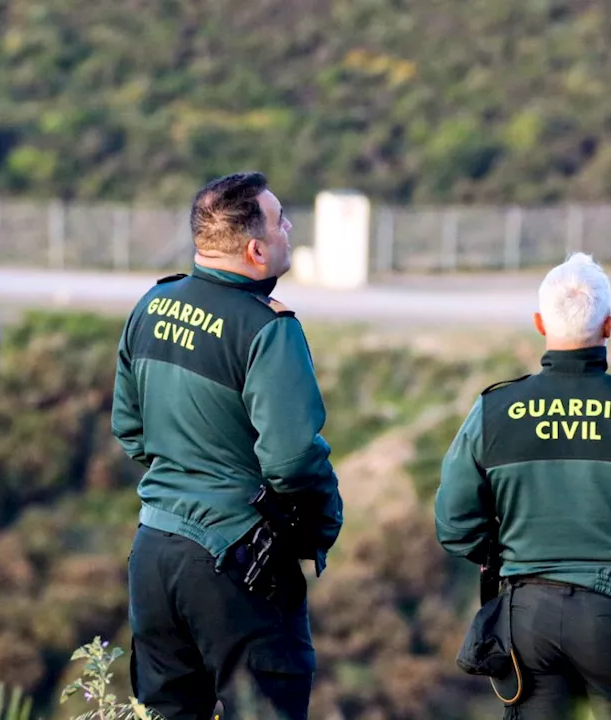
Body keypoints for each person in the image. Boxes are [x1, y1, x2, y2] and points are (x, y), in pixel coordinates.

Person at [433, 252, 611, 719]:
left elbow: (455, 526)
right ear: (609, 326)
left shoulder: (494, 410)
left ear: (539, 322)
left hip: (525, 618)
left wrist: (512, 555)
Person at [111, 171, 344, 720]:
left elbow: (130, 429)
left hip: (154, 553)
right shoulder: (268, 329)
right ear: (256, 248)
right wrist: (321, 523)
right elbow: (291, 460)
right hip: (235, 562)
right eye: (280, 218)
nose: (289, 228)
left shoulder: (152, 306)